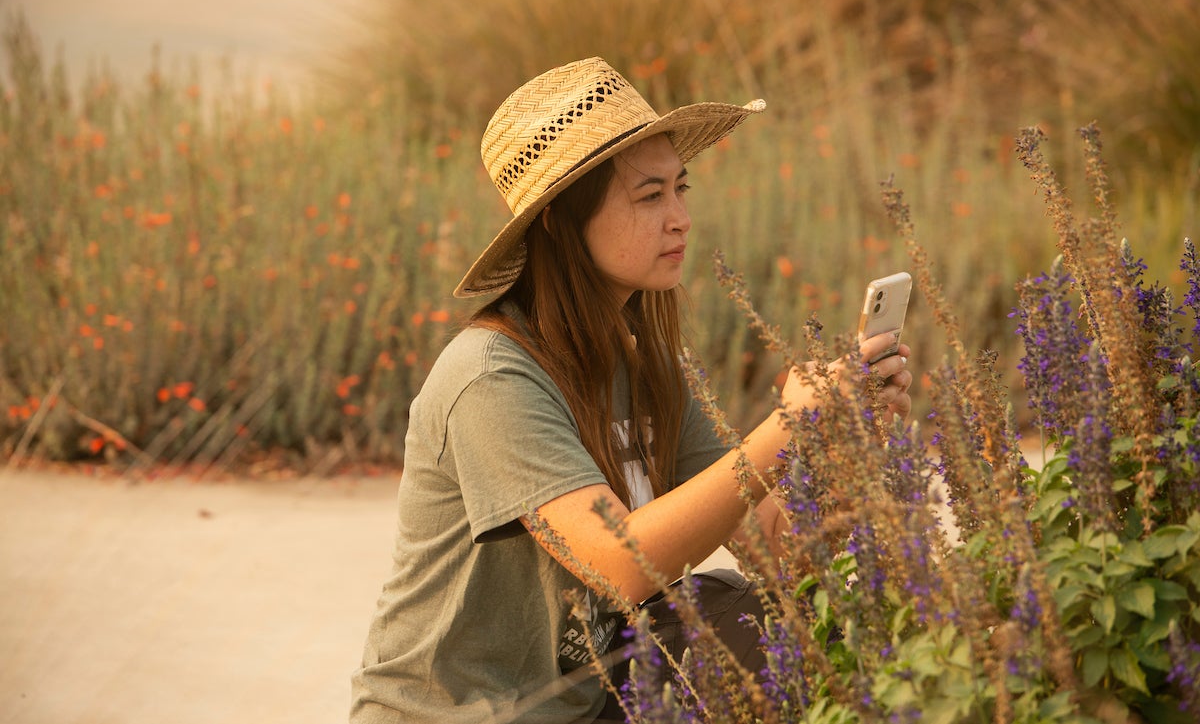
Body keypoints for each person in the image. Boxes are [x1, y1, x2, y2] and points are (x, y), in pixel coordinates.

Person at [349, 57, 913, 723]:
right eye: (650, 197)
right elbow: (620, 562)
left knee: (752, 616)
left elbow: (776, 549)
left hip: (583, 707)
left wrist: (840, 444)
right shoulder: (490, 376)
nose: (680, 218)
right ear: (560, 220)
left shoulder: (644, 362)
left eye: (681, 188)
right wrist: (783, 426)